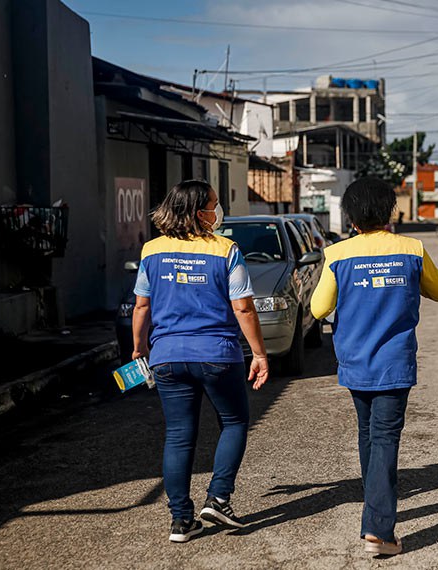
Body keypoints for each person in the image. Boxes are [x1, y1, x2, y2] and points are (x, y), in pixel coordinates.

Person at [311, 177, 438, 556]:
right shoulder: (412, 249)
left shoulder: (337, 254)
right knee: (385, 438)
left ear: (351, 217)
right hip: (394, 363)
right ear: (390, 211)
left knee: (368, 433)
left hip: (355, 361)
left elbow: (319, 308)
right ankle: (379, 530)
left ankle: (374, 507)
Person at [131, 179, 270, 543]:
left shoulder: (152, 250)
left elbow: (142, 305)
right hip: (217, 354)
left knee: (179, 436)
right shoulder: (226, 250)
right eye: (213, 204)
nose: (217, 211)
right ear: (197, 212)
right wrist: (259, 353)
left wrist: (139, 348)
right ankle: (219, 498)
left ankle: (181, 521)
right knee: (235, 421)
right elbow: (243, 307)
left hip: (166, 356)